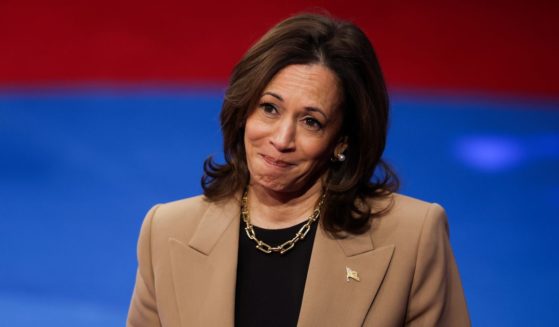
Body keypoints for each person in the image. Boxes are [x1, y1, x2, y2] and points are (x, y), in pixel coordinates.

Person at [127, 13, 470, 327]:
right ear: (243, 111)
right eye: (269, 109)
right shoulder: (166, 232)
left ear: (342, 141)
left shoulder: (412, 237)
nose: (281, 139)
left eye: (311, 121)